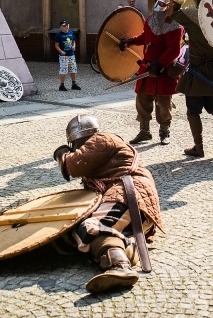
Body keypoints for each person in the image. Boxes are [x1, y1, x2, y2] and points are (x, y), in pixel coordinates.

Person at [53, 115, 163, 293]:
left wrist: (61, 153)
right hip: (127, 201)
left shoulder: (102, 139)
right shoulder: (98, 149)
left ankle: (120, 266)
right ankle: (127, 248)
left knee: (89, 226)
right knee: (71, 233)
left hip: (130, 195)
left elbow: (73, 165)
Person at [166, 0, 213, 158]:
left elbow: (170, 14)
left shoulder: (192, 14)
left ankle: (199, 147)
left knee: (193, 111)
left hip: (198, 70)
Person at [120, 0, 184, 145]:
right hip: (147, 67)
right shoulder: (151, 18)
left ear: (171, 6)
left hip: (163, 69)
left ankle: (164, 132)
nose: (158, 6)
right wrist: (131, 41)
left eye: (162, 4)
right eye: (157, 2)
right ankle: (144, 132)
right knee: (142, 99)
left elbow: (174, 50)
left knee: (163, 103)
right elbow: (146, 37)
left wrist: (160, 63)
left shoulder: (175, 25)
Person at [54, 19, 80, 91]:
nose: (66, 27)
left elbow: (73, 41)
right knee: (63, 70)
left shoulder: (71, 33)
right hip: (63, 56)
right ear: (61, 27)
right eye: (64, 26)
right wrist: (61, 51)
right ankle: (62, 85)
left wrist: (74, 46)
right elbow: (56, 45)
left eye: (67, 25)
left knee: (73, 69)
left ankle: (74, 84)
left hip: (71, 54)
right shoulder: (59, 35)